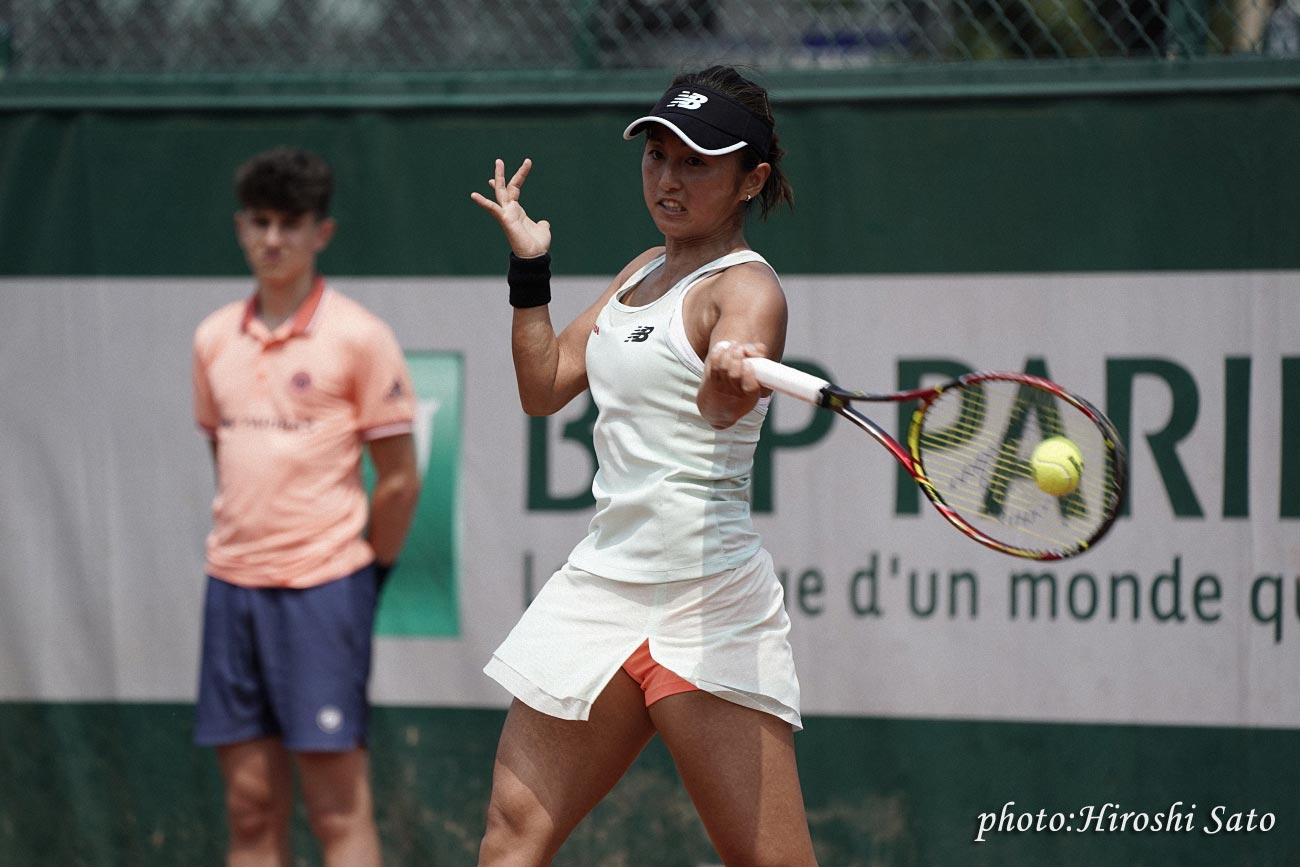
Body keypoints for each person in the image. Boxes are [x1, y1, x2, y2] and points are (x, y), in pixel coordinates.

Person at [470, 66, 817, 866]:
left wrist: (731, 374)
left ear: (750, 180)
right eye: (658, 155)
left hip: (707, 599)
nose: (668, 177)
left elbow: (725, 398)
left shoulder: (747, 289)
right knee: (512, 831)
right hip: (600, 585)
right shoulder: (636, 274)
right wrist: (530, 271)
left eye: (697, 161)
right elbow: (544, 386)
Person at [191, 146, 421, 867]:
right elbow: (223, 456)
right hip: (231, 588)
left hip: (325, 589)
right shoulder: (211, 338)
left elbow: (399, 479)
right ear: (239, 227)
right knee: (250, 805)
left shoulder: (359, 336)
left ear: (321, 232)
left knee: (334, 805)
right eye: (259, 222)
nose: (273, 239)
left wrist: (362, 574)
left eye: (291, 223)